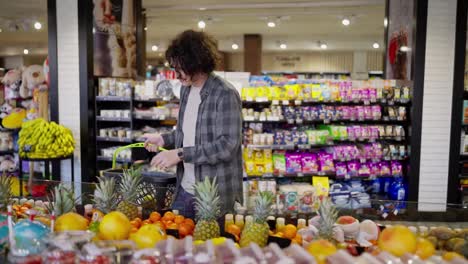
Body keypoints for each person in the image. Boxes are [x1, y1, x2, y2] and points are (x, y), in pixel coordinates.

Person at [143, 30, 243, 219]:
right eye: (173, 68)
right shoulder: (186, 90)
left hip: (213, 195)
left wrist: (180, 154)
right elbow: (187, 133)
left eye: (180, 68)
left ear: (196, 62)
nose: (176, 74)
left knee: (211, 247)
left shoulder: (225, 94)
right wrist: (163, 138)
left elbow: (227, 145)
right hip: (184, 188)